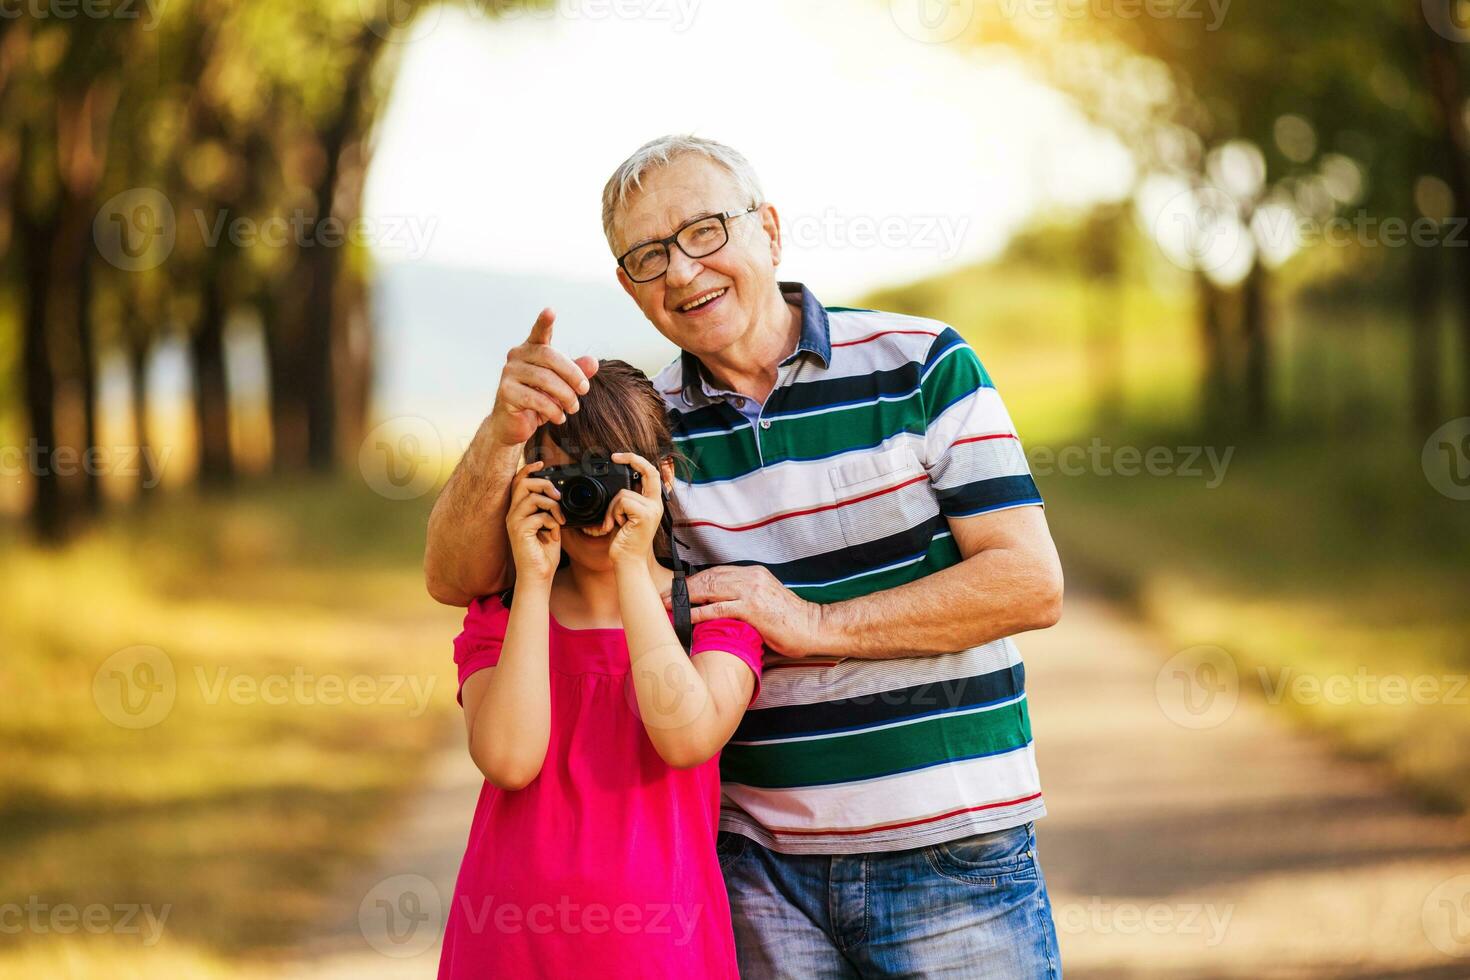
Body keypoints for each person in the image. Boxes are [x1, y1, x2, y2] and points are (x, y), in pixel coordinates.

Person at [426, 135, 1066, 978]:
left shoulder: (920, 361)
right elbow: (455, 578)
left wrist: (808, 621)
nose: (683, 272)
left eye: (704, 231)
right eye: (649, 256)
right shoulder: (645, 429)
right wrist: (501, 434)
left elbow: (1028, 583)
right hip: (756, 873)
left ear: (768, 228)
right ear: (628, 286)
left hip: (950, 844)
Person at [437, 360, 765, 980]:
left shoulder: (715, 615)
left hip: (659, 950)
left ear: (659, 477)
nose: (589, 498)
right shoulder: (501, 617)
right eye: (565, 474)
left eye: (607, 471)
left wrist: (632, 570)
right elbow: (509, 760)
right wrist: (531, 580)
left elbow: (685, 737)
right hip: (509, 947)